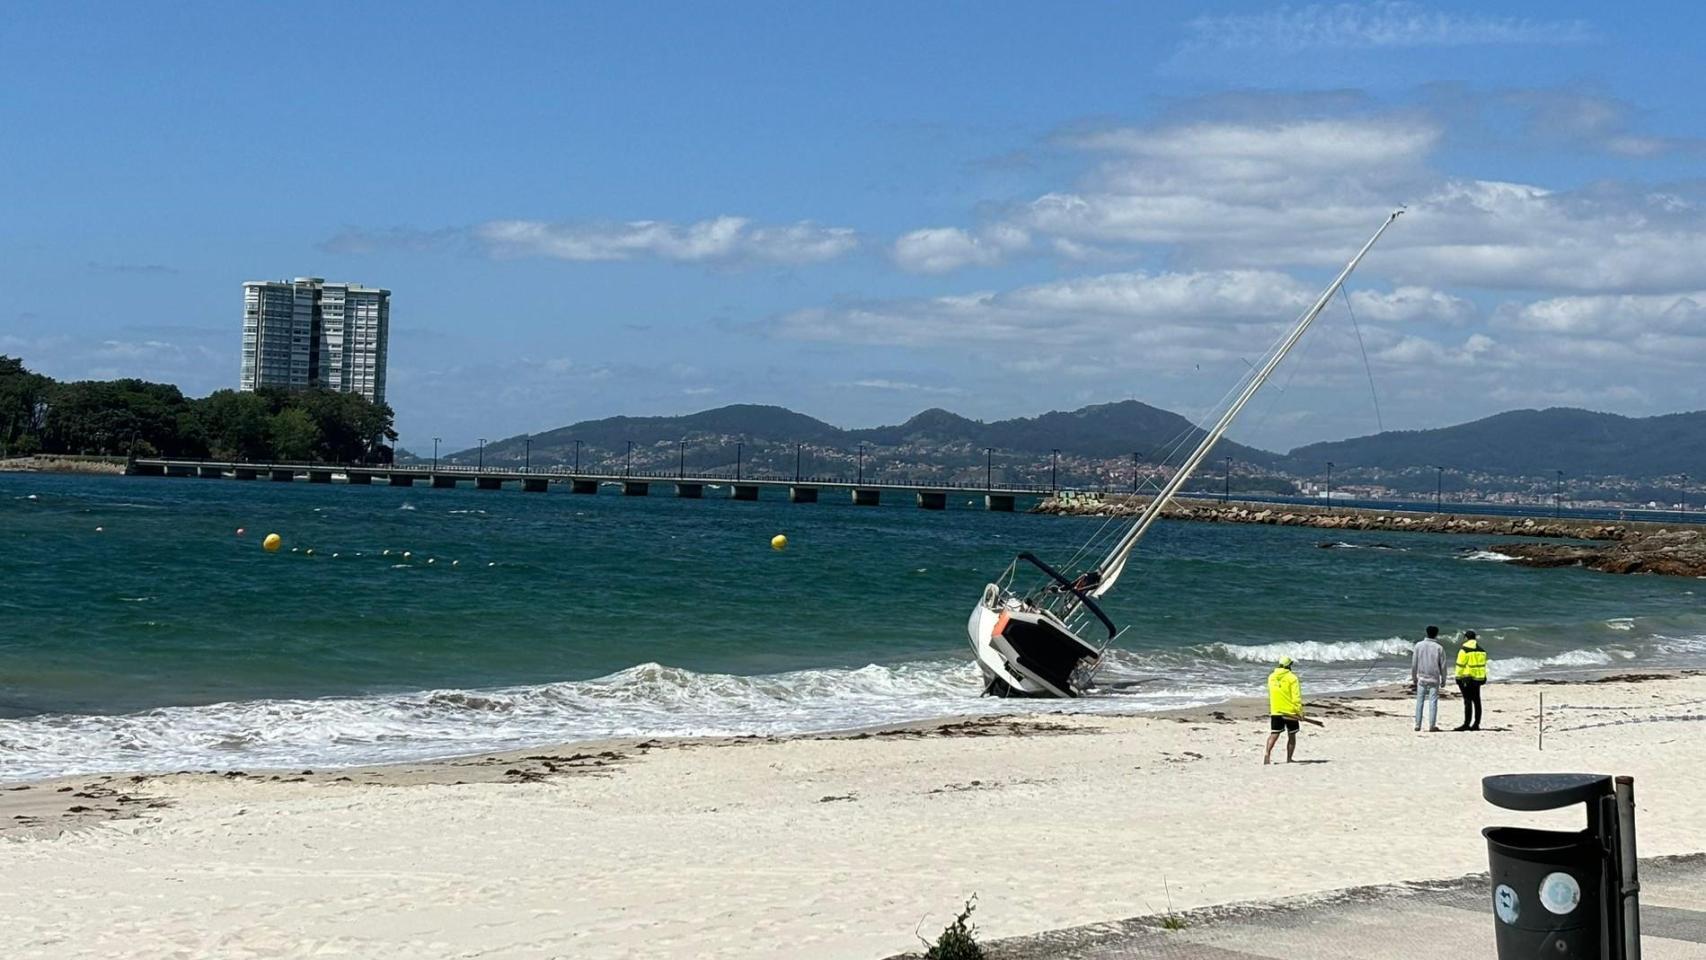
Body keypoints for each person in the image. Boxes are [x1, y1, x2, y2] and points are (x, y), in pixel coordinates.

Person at [1264, 656, 1305, 764]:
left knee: (1274, 734)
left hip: (1276, 710)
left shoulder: (1271, 677)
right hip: (1290, 711)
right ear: (1289, 666)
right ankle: (1289, 758)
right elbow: (1296, 697)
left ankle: (1267, 753)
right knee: (1292, 735)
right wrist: (1299, 712)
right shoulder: (1292, 678)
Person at [1411, 625, 1448, 733]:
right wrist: (1444, 679)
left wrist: (1414, 677)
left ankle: (1418, 724)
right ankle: (1432, 725)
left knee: (1420, 701)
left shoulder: (1418, 645)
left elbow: (1414, 664)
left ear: (1426, 633)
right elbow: (1443, 665)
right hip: (1434, 678)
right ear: (1436, 634)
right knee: (1433, 702)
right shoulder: (1439, 648)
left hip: (1422, 677)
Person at [1454, 630, 1488, 731]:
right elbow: (1482, 666)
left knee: (1467, 701)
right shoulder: (1482, 651)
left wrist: (1457, 677)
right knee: (1477, 701)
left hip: (1467, 678)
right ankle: (1476, 724)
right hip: (1478, 678)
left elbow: (1460, 666)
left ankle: (1466, 724)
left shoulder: (1464, 650)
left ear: (1465, 638)